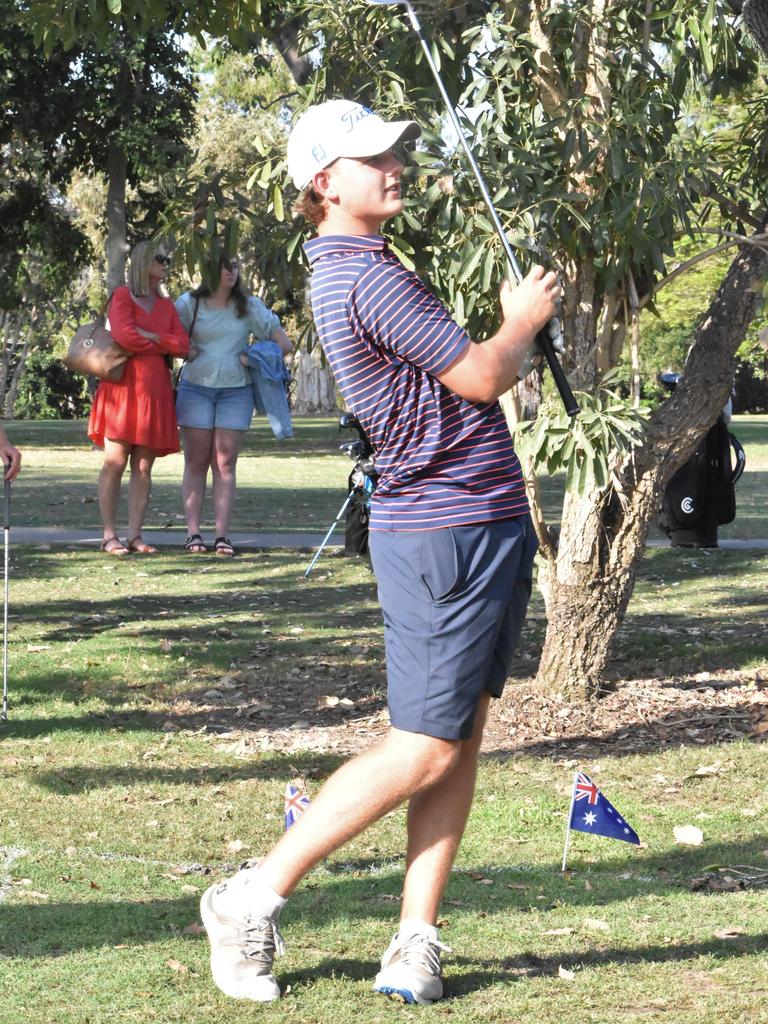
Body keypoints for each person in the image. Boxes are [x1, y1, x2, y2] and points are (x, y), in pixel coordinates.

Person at [199, 100, 561, 1006]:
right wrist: (521, 320)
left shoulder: (360, 265)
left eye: (396, 148)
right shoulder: (367, 277)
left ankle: (413, 938)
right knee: (426, 746)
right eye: (372, 157)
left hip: (475, 518)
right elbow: (482, 374)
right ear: (323, 183)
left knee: (459, 735)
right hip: (442, 530)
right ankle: (251, 894)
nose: (394, 164)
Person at [175, 258, 292, 555]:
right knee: (196, 462)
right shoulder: (190, 304)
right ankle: (193, 535)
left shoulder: (248, 305)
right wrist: (184, 350)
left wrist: (253, 356)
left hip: (236, 391)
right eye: (225, 266)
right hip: (196, 388)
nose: (232, 271)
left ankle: (222, 537)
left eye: (236, 266)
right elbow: (170, 337)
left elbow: (283, 343)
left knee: (225, 464)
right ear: (209, 270)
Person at [88, 241, 189, 556]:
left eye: (167, 259)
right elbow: (123, 336)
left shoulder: (165, 305)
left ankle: (134, 535)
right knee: (115, 461)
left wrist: (152, 338)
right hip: (123, 390)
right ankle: (109, 535)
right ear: (143, 263)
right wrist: (162, 341)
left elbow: (183, 345)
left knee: (144, 467)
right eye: (160, 258)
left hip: (154, 391)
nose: (165, 263)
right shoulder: (121, 296)